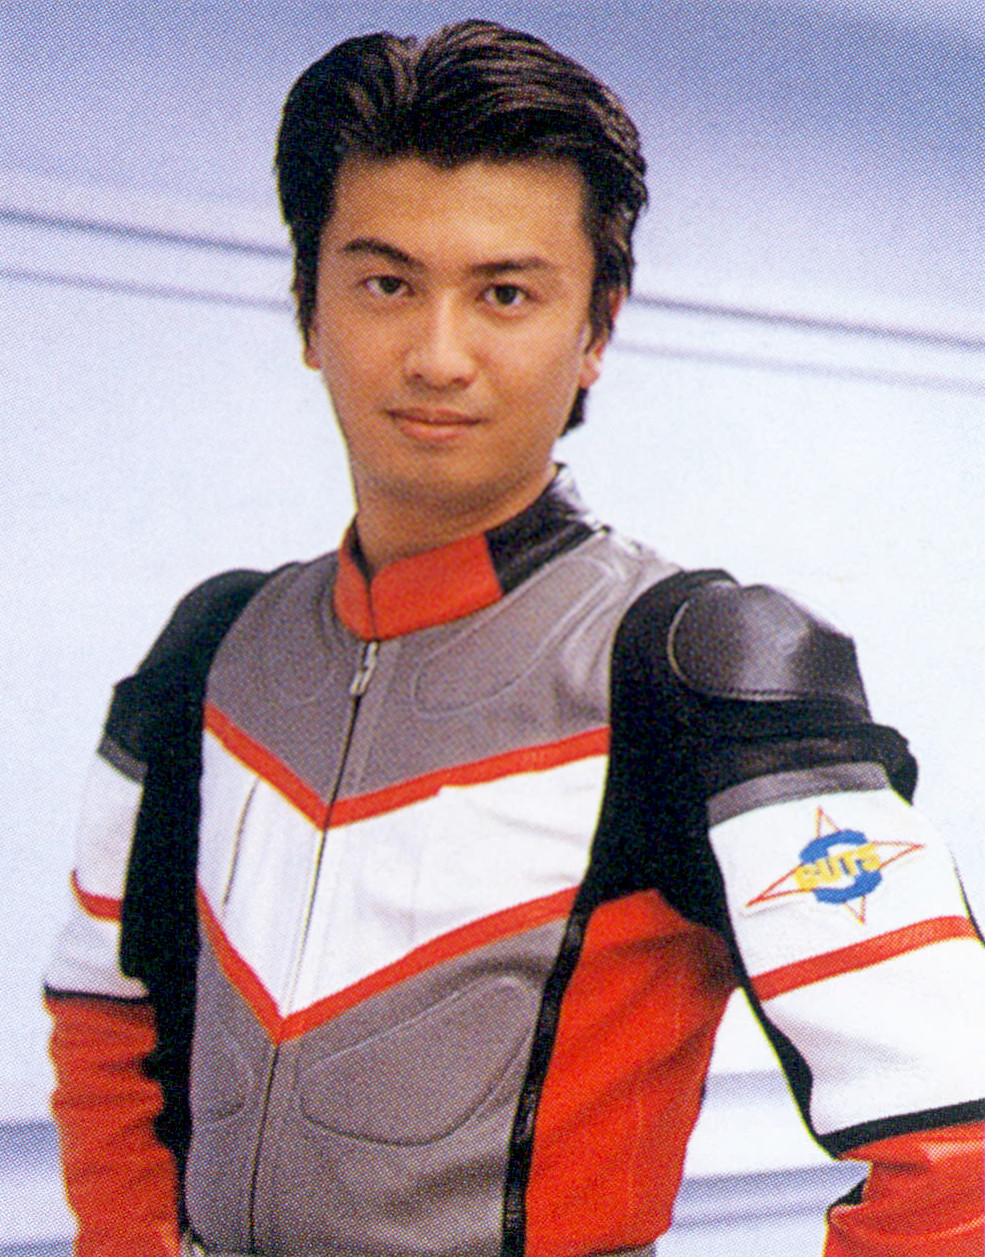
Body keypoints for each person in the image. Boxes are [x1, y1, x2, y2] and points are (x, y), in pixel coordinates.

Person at [44, 19, 983, 1257]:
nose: (439, 357)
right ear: (308, 310)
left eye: (504, 294)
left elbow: (959, 1144)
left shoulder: (707, 672)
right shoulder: (211, 652)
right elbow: (103, 1018)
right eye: (386, 284)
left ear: (595, 330)